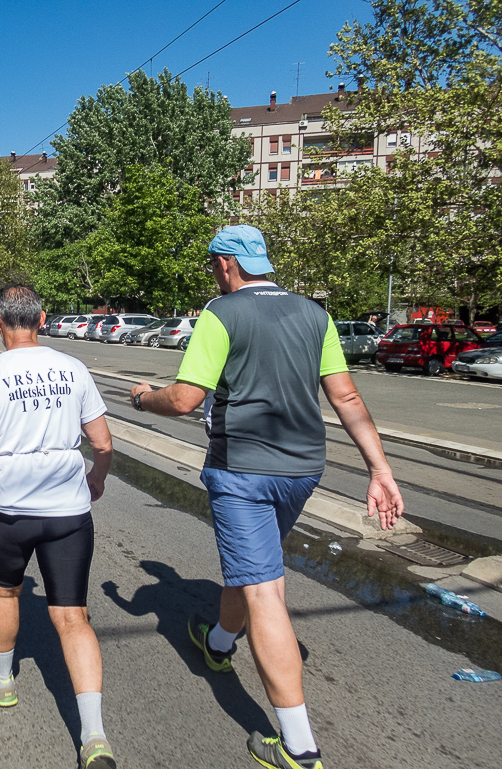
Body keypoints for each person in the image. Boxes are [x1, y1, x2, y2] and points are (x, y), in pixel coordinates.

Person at [128, 225, 404, 769]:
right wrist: (380, 468)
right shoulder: (314, 314)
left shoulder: (220, 313)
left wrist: (142, 398)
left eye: (214, 263)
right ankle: (222, 643)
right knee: (256, 567)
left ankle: (298, 745)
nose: (213, 272)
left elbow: (185, 399)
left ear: (228, 264)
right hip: (303, 469)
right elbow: (345, 394)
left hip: (243, 471)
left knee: (264, 591)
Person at [0, 285, 117, 769]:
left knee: (5, 594)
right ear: (43, 318)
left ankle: (2, 680)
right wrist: (96, 478)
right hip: (68, 510)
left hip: (9, 509)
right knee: (73, 617)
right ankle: (94, 737)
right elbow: (104, 442)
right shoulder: (74, 368)